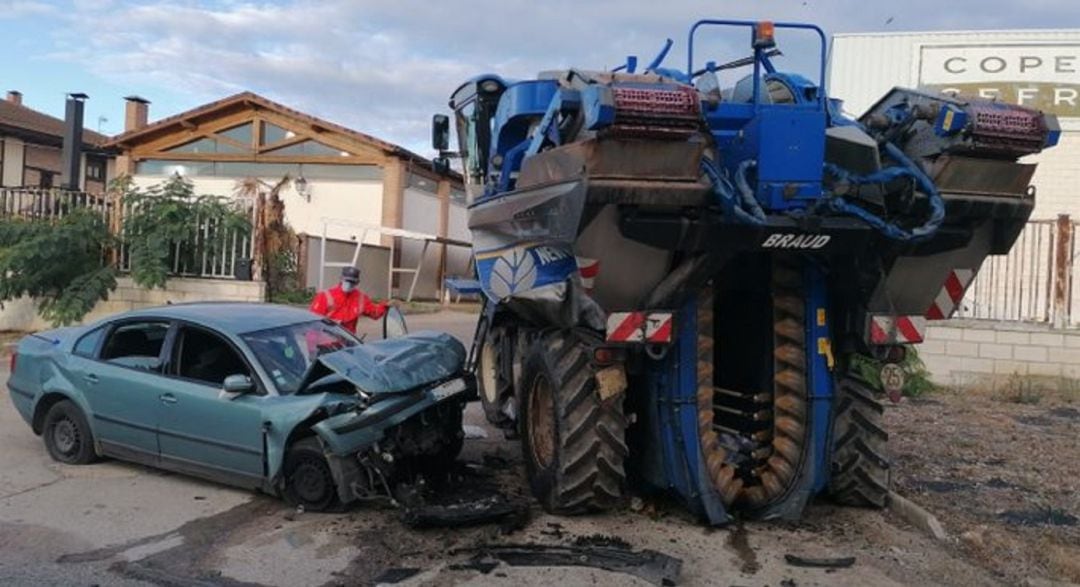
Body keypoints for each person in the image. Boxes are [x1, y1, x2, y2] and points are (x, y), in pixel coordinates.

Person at [309, 266, 389, 333]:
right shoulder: (325, 296)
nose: (349, 284)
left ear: (357, 283)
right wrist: (312, 347)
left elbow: (375, 313)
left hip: (348, 342)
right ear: (341, 279)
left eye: (352, 282)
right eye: (347, 280)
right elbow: (312, 321)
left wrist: (386, 305)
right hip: (326, 343)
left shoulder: (360, 298)